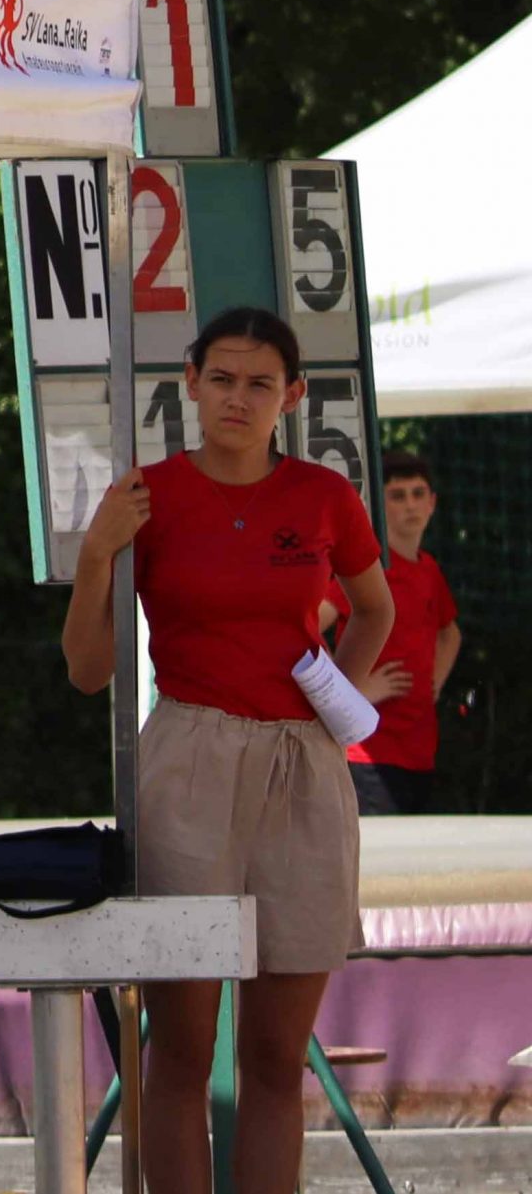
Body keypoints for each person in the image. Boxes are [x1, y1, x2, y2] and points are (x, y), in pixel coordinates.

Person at [61, 305, 395, 1194]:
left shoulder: (325, 495)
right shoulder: (149, 494)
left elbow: (377, 605)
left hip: (303, 767)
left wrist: (336, 704)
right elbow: (88, 670)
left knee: (277, 1053)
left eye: (258, 383)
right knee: (179, 1044)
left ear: (292, 394)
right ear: (191, 383)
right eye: (222, 379)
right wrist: (97, 553)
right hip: (189, 756)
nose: (237, 399)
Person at [320, 451, 462, 815]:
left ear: (432, 503)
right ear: (379, 504)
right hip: (366, 752)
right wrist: (348, 693)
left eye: (418, 494)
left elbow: (450, 633)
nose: (411, 505)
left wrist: (434, 683)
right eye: (398, 495)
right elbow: (305, 625)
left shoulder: (429, 569)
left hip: (419, 751)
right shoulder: (366, 567)